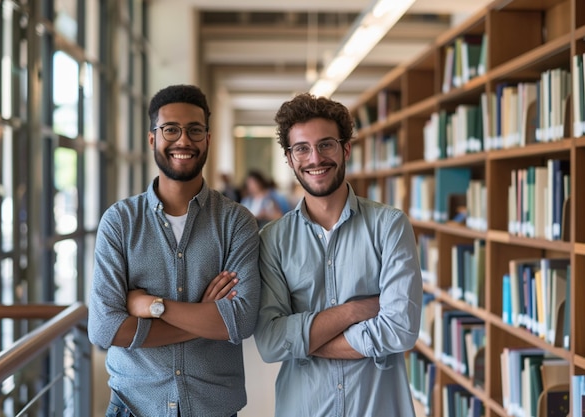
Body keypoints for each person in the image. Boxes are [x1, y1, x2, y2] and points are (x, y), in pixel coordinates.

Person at [88, 84, 261, 417]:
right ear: (153, 138)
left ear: (208, 139)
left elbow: (238, 322)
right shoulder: (120, 222)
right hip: (132, 406)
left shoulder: (237, 222)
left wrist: (152, 306)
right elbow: (105, 329)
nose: (183, 140)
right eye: (171, 129)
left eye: (195, 130)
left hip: (214, 408)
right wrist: (204, 313)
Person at [253, 92, 423, 416]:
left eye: (326, 144)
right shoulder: (272, 241)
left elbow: (400, 329)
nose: (315, 158)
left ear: (345, 148)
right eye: (302, 148)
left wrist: (304, 342)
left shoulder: (390, 227)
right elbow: (271, 342)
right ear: (290, 159)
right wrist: (355, 311)